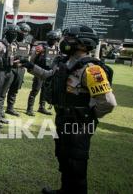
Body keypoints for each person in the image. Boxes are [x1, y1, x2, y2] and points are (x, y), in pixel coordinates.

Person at [20, 25, 116, 194]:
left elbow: (108, 102)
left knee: (76, 163)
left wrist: (88, 116)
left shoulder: (92, 69)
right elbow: (48, 75)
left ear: (82, 44)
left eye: (69, 39)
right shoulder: (65, 62)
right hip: (63, 118)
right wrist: (29, 65)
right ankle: (65, 190)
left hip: (79, 123)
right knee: (64, 156)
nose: (64, 41)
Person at [0, 24, 19, 127]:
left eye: (16, 33)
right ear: (6, 33)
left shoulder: (13, 44)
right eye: (12, 33)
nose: (14, 35)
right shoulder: (0, 44)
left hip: (8, 71)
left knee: (2, 95)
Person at [25, 30, 61, 116]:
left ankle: (42, 107)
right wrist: (33, 69)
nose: (54, 41)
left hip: (49, 73)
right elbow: (33, 59)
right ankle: (29, 109)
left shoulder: (56, 48)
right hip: (39, 71)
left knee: (45, 91)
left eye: (55, 39)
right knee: (35, 90)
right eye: (53, 39)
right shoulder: (40, 47)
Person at [3, 23, 32, 117]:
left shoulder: (27, 44)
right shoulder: (11, 42)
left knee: (14, 90)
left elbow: (27, 57)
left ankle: (10, 108)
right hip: (11, 69)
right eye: (22, 31)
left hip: (21, 69)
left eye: (26, 32)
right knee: (4, 89)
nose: (24, 33)